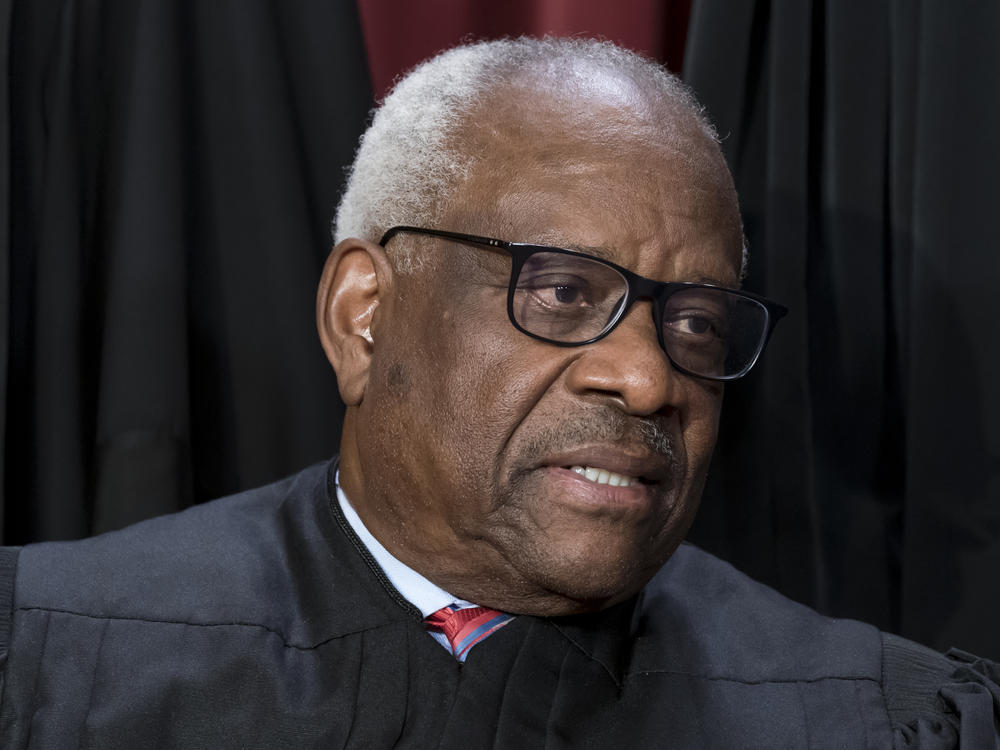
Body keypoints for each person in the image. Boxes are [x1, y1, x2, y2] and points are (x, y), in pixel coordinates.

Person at [0, 37, 997, 748]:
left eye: (693, 322)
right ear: (364, 313)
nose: (648, 379)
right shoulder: (54, 664)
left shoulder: (863, 716)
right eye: (563, 291)